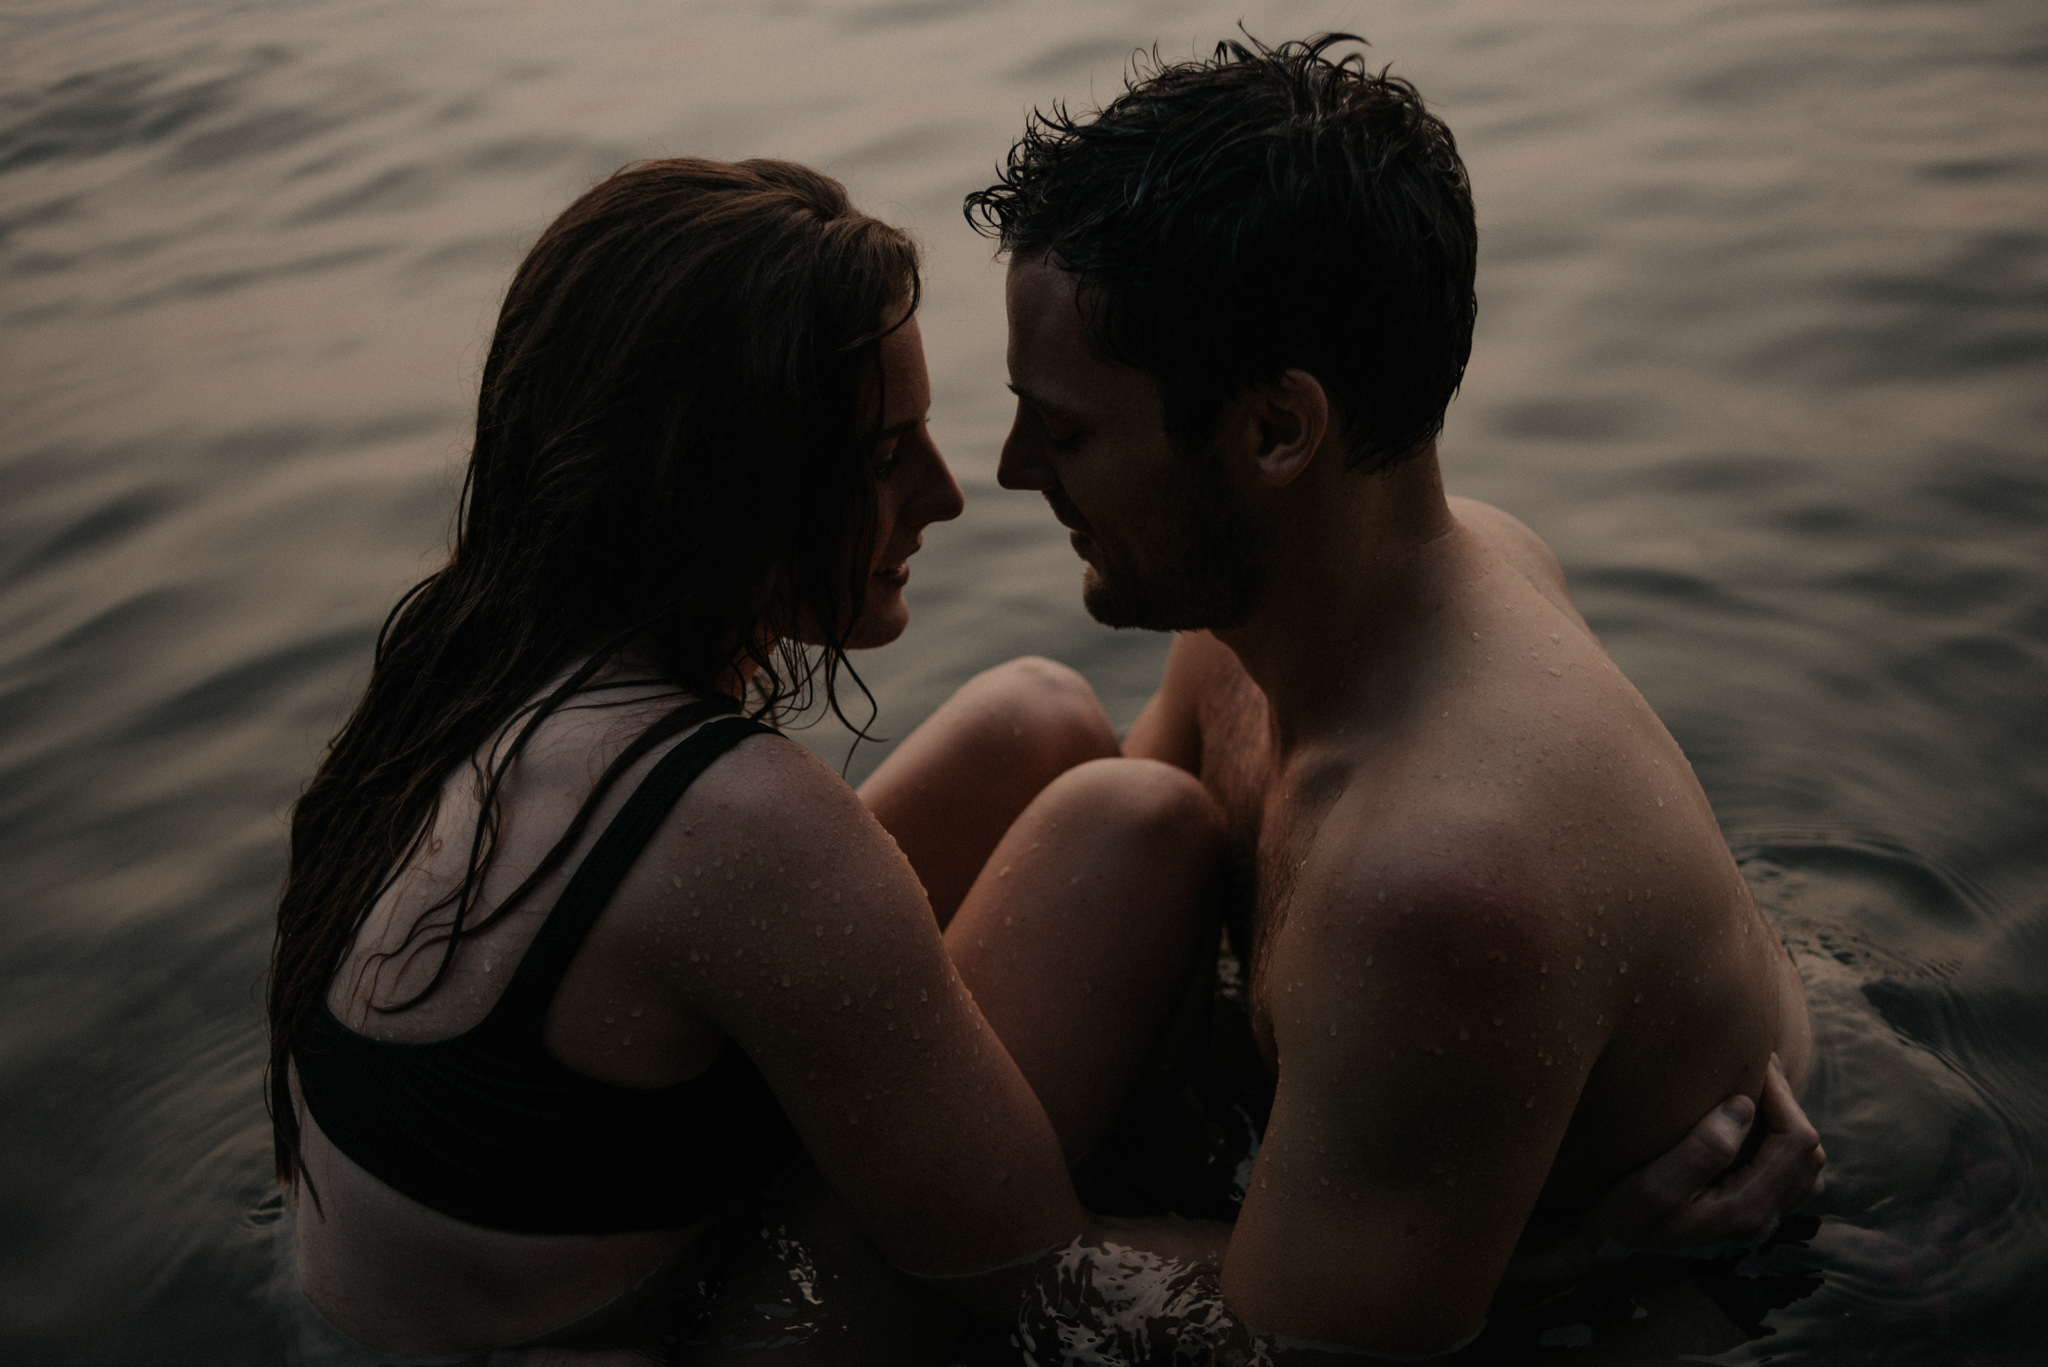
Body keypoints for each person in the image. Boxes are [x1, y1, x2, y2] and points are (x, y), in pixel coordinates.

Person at [268, 151, 1811, 1366]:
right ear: (723, 488)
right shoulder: (732, 825)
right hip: (623, 1347)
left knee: (1043, 724)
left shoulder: (472, 675)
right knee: (1123, 816)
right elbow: (1052, 1279)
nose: (963, 491)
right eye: (888, 456)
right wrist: (1557, 1260)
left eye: (1028, 428)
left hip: (434, 1273)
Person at [967, 33, 1825, 1358]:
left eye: (1067, 429)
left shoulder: (1433, 888)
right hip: (1440, 1186)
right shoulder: (1308, 612)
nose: (1016, 471)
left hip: (1703, 1284)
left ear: (1273, 432)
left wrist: (973, 1225)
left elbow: (1288, 1344)